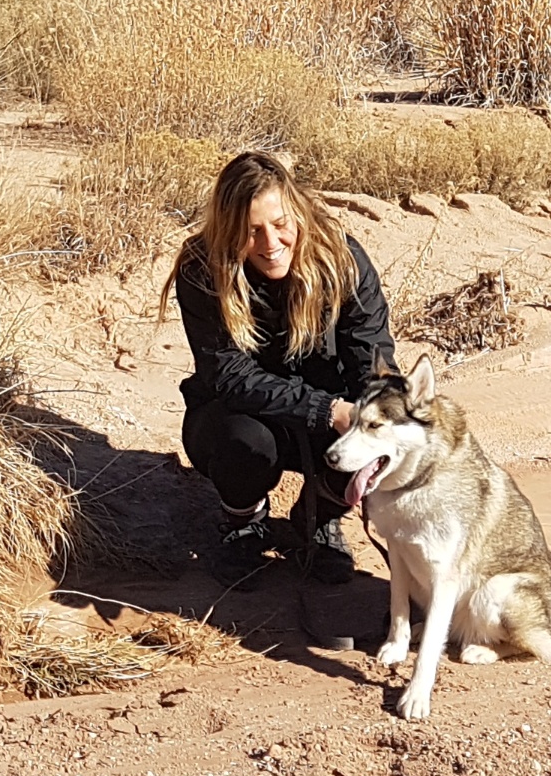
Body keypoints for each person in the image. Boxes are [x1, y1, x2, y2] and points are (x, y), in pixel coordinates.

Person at [169, 148, 397, 585]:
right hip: (240, 418)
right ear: (228, 231)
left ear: (298, 214)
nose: (270, 245)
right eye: (250, 232)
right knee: (244, 443)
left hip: (328, 414)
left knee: (376, 429)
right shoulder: (202, 270)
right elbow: (229, 375)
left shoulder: (342, 260)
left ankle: (319, 518)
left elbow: (372, 355)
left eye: (279, 225)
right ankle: (244, 521)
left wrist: (371, 421)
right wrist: (329, 411)